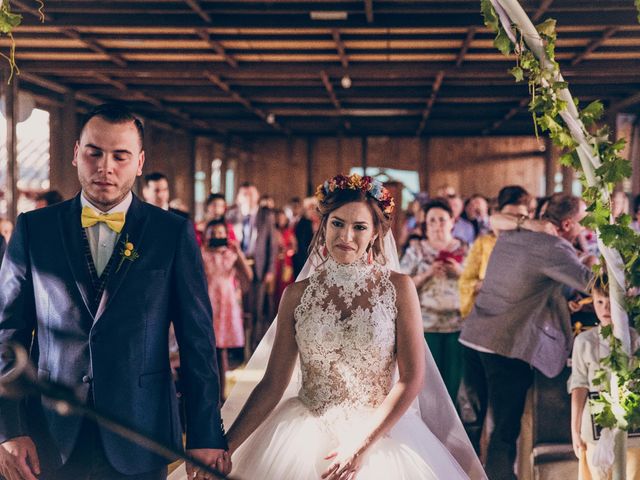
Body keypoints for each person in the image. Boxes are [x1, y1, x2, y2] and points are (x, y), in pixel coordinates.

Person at [168, 173, 486, 480]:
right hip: (302, 429)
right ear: (324, 225)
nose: (346, 236)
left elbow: (411, 378)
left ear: (376, 233)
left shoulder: (399, 288)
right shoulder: (296, 294)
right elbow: (272, 384)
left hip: (378, 434)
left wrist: (361, 445)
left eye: (359, 227)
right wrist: (228, 447)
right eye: (337, 223)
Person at [0, 103, 230, 480]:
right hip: (47, 434)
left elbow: (197, 340)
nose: (105, 167)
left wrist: (205, 433)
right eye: (94, 153)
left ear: (139, 162)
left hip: (141, 433)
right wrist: (8, 427)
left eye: (120, 156)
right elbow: (7, 332)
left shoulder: (171, 234)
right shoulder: (33, 229)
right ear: (77, 153)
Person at [459, 193, 594, 480]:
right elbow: (594, 284)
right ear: (568, 223)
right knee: (503, 431)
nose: (585, 229)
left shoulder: (513, 232)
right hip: (505, 344)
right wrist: (595, 262)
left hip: (473, 335)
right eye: (583, 223)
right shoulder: (556, 247)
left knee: (471, 421)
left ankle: (458, 474)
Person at [569, 273, 640, 480]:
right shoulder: (585, 341)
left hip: (632, 429)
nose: (606, 309)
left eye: (611, 302)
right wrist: (575, 430)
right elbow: (579, 385)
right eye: (600, 302)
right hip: (594, 428)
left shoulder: (635, 340)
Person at [400, 198, 468, 400]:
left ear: (452, 222)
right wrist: (427, 274)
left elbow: (480, 283)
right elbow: (402, 285)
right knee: (427, 386)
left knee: (454, 385)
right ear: (425, 224)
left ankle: (453, 429)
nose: (438, 225)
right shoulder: (416, 251)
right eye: (432, 221)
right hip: (426, 325)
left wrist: (460, 273)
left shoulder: (465, 249)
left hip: (458, 325)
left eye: (442, 220)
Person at [201, 219, 253, 401]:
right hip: (207, 301)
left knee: (221, 349)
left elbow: (248, 275)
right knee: (207, 348)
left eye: (221, 233)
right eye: (213, 233)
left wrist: (238, 252)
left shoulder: (231, 254)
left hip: (225, 303)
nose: (217, 236)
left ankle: (221, 393)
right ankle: (207, 391)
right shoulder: (201, 253)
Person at [227, 182, 277, 352]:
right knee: (238, 307)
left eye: (250, 194)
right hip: (237, 268)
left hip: (259, 267)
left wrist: (270, 269)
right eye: (244, 194)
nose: (247, 198)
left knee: (256, 309)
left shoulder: (266, 216)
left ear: (256, 196)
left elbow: (272, 245)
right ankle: (237, 346)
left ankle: (255, 345)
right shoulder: (232, 215)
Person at [273, 208, 297, 309]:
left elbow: (295, 248)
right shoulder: (274, 232)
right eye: (279, 218)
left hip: (286, 262)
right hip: (276, 262)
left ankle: (285, 307)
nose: (280, 220)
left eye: (282, 218)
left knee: (285, 285)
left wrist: (287, 251)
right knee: (274, 287)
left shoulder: (289, 232)